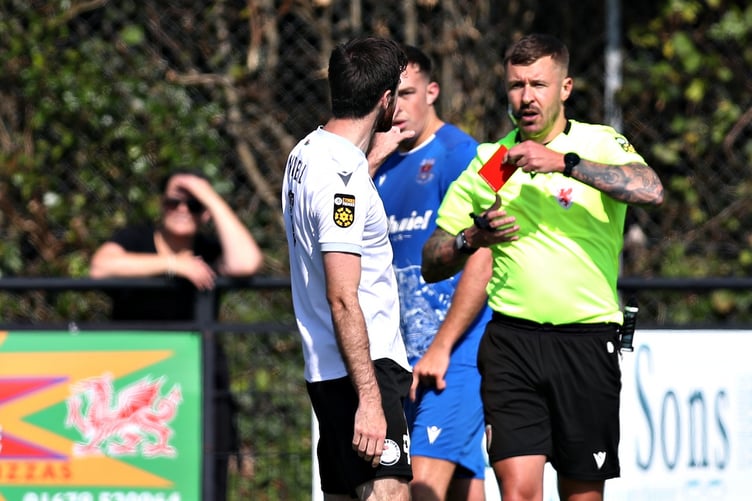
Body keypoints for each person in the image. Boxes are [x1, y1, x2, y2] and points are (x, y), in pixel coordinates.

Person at [420, 33, 664, 501]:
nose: (526, 97)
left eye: (538, 84)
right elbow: (432, 260)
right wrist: (473, 238)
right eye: (516, 85)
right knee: (518, 494)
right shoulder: (496, 164)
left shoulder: (598, 143)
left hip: (587, 341)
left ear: (565, 88)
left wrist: (564, 164)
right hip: (513, 342)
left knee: (581, 494)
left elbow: (651, 189)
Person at [281, 36, 413, 501]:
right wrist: (372, 401)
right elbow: (342, 294)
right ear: (386, 99)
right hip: (364, 369)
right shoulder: (343, 182)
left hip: (327, 372)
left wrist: (368, 163)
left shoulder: (306, 154)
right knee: (389, 494)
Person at [89, 168, 263, 501]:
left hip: (196, 389)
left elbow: (247, 262)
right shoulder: (135, 239)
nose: (183, 210)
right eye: (174, 201)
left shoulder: (209, 250)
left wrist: (210, 196)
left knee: (207, 484)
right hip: (133, 392)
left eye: (194, 204)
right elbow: (102, 265)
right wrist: (174, 265)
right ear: (161, 204)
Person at [369, 45, 491, 501]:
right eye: (389, 96)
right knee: (462, 490)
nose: (397, 107)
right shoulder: (381, 162)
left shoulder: (460, 155)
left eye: (407, 93)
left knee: (418, 489)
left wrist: (441, 348)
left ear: (432, 91)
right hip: (404, 360)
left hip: (452, 356)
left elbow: (484, 253)